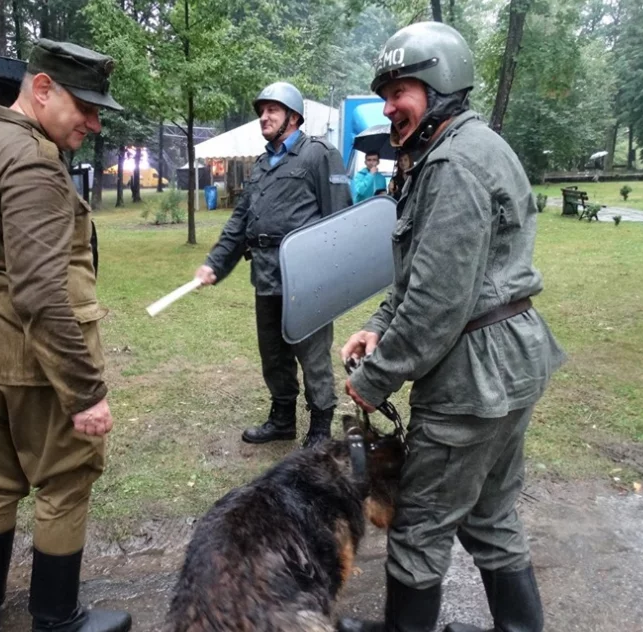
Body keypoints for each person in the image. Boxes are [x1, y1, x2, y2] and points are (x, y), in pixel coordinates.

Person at [338, 22, 566, 632]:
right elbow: (424, 273)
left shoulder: (454, 164)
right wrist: (378, 325)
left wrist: (375, 378)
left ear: (439, 84)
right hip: (506, 364)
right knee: (491, 514)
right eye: (384, 93)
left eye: (399, 90)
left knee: (419, 525)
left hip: (473, 379)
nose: (389, 107)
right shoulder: (462, 148)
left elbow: (438, 302)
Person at [0, 40, 131, 632]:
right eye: (86, 106)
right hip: (34, 364)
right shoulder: (32, 162)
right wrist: (85, 391)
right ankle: (56, 617)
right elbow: (40, 293)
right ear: (43, 88)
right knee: (65, 484)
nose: (94, 123)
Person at [195, 81, 352, 449]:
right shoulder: (262, 165)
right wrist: (215, 263)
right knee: (273, 354)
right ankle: (282, 419)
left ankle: (319, 429)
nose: (263, 117)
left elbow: (341, 220)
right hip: (265, 274)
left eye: (272, 110)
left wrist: (331, 278)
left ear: (293, 117)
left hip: (306, 278)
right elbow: (240, 220)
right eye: (261, 111)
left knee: (312, 354)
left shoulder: (319, 154)